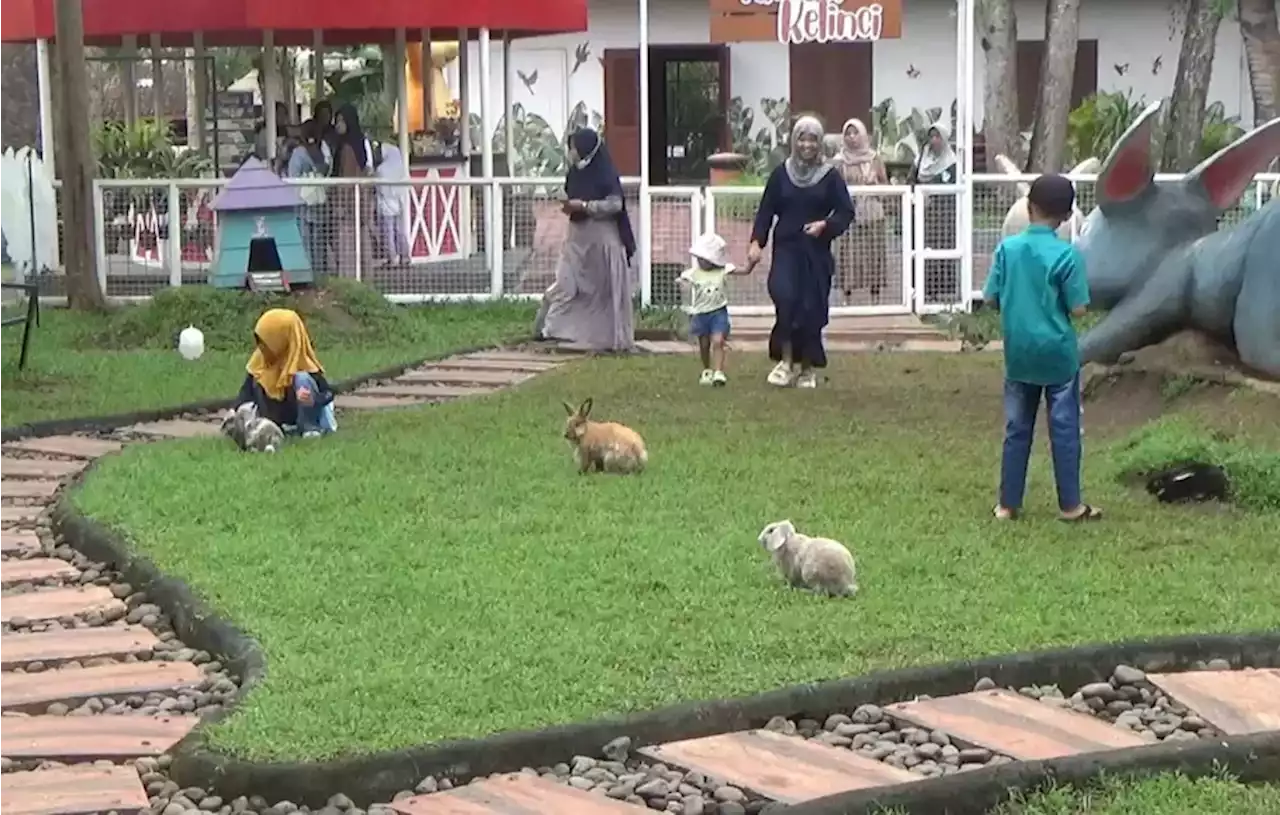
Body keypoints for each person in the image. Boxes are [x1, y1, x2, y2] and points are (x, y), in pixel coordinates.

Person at [982, 174, 1100, 523]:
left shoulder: (1007, 249)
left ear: (1028, 207)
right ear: (1066, 216)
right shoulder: (1068, 255)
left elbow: (990, 298)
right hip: (1059, 354)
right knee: (1064, 427)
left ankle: (1007, 504)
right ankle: (1070, 505)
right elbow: (1078, 308)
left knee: (1017, 427)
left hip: (1019, 353)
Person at [746, 115, 855, 389]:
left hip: (815, 253)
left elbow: (845, 212)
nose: (807, 145)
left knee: (809, 309)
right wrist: (756, 242)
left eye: (812, 140)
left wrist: (825, 226)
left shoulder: (829, 176)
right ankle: (785, 362)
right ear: (794, 141)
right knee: (785, 298)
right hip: (786, 249)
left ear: (819, 143)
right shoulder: (781, 174)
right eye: (802, 139)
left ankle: (807, 369)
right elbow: (766, 211)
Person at [535, 128, 637, 352]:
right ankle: (555, 329)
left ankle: (610, 337)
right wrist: (569, 204)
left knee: (604, 291)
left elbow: (615, 204)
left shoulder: (605, 173)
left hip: (602, 239)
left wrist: (586, 206)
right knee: (567, 282)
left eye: (574, 148)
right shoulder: (574, 173)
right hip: (577, 237)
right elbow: (571, 194)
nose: (571, 152)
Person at [235, 309, 337, 438]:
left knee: (302, 378)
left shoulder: (302, 363)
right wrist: (234, 413)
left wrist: (314, 399)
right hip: (274, 415)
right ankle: (271, 426)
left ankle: (309, 427)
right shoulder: (260, 361)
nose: (262, 347)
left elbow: (328, 393)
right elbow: (245, 393)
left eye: (267, 342)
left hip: (297, 412)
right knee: (259, 378)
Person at [678, 231, 750, 386]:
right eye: (699, 258)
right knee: (704, 344)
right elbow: (683, 280)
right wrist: (682, 285)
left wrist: (751, 263)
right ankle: (707, 370)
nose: (700, 261)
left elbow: (744, 271)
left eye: (704, 259)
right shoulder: (693, 273)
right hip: (700, 314)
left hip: (718, 312)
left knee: (718, 341)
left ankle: (718, 371)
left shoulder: (723, 270)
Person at [832, 118, 889, 305]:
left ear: (863, 135)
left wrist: (876, 185)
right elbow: (833, 187)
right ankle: (846, 299)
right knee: (848, 256)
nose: (851, 137)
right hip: (849, 216)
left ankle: (876, 298)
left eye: (855, 133)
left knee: (874, 256)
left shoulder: (875, 158)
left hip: (873, 215)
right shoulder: (839, 161)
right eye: (848, 133)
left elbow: (886, 186)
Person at [909, 122, 959, 306]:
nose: (934, 141)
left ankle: (938, 292)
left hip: (940, 215)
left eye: (938, 137)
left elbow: (952, 186)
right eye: (931, 137)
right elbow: (911, 180)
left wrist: (933, 196)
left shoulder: (951, 162)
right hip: (920, 214)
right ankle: (918, 289)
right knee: (918, 247)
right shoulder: (921, 158)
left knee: (938, 249)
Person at [330, 104, 374, 277]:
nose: (337, 125)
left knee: (347, 244)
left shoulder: (346, 147)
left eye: (341, 121)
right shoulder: (361, 143)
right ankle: (365, 280)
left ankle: (349, 283)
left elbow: (345, 178)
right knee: (363, 242)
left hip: (347, 206)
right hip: (361, 203)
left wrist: (339, 204)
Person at [286, 119, 331, 273]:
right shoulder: (323, 150)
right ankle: (320, 272)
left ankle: (306, 272)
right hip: (320, 200)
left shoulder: (299, 153)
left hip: (303, 202)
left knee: (305, 240)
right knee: (319, 241)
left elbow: (292, 176)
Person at [374, 143, 412, 266]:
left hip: (386, 203)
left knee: (388, 232)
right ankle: (405, 256)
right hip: (399, 203)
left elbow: (379, 189)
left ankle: (392, 257)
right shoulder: (401, 168)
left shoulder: (381, 170)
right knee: (400, 231)